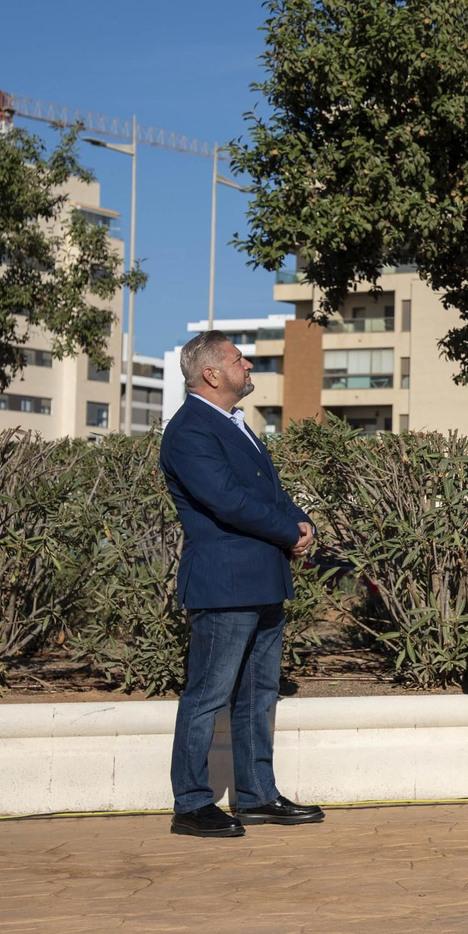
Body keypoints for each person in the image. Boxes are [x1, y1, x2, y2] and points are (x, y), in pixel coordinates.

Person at [161, 331, 323, 838]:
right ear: (212, 373)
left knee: (258, 695)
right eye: (237, 359)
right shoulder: (190, 430)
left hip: (262, 580)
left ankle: (257, 795)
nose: (248, 364)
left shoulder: (235, 423)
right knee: (208, 695)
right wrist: (286, 530)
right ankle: (191, 804)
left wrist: (302, 524)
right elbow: (227, 500)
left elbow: (269, 492)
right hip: (225, 585)